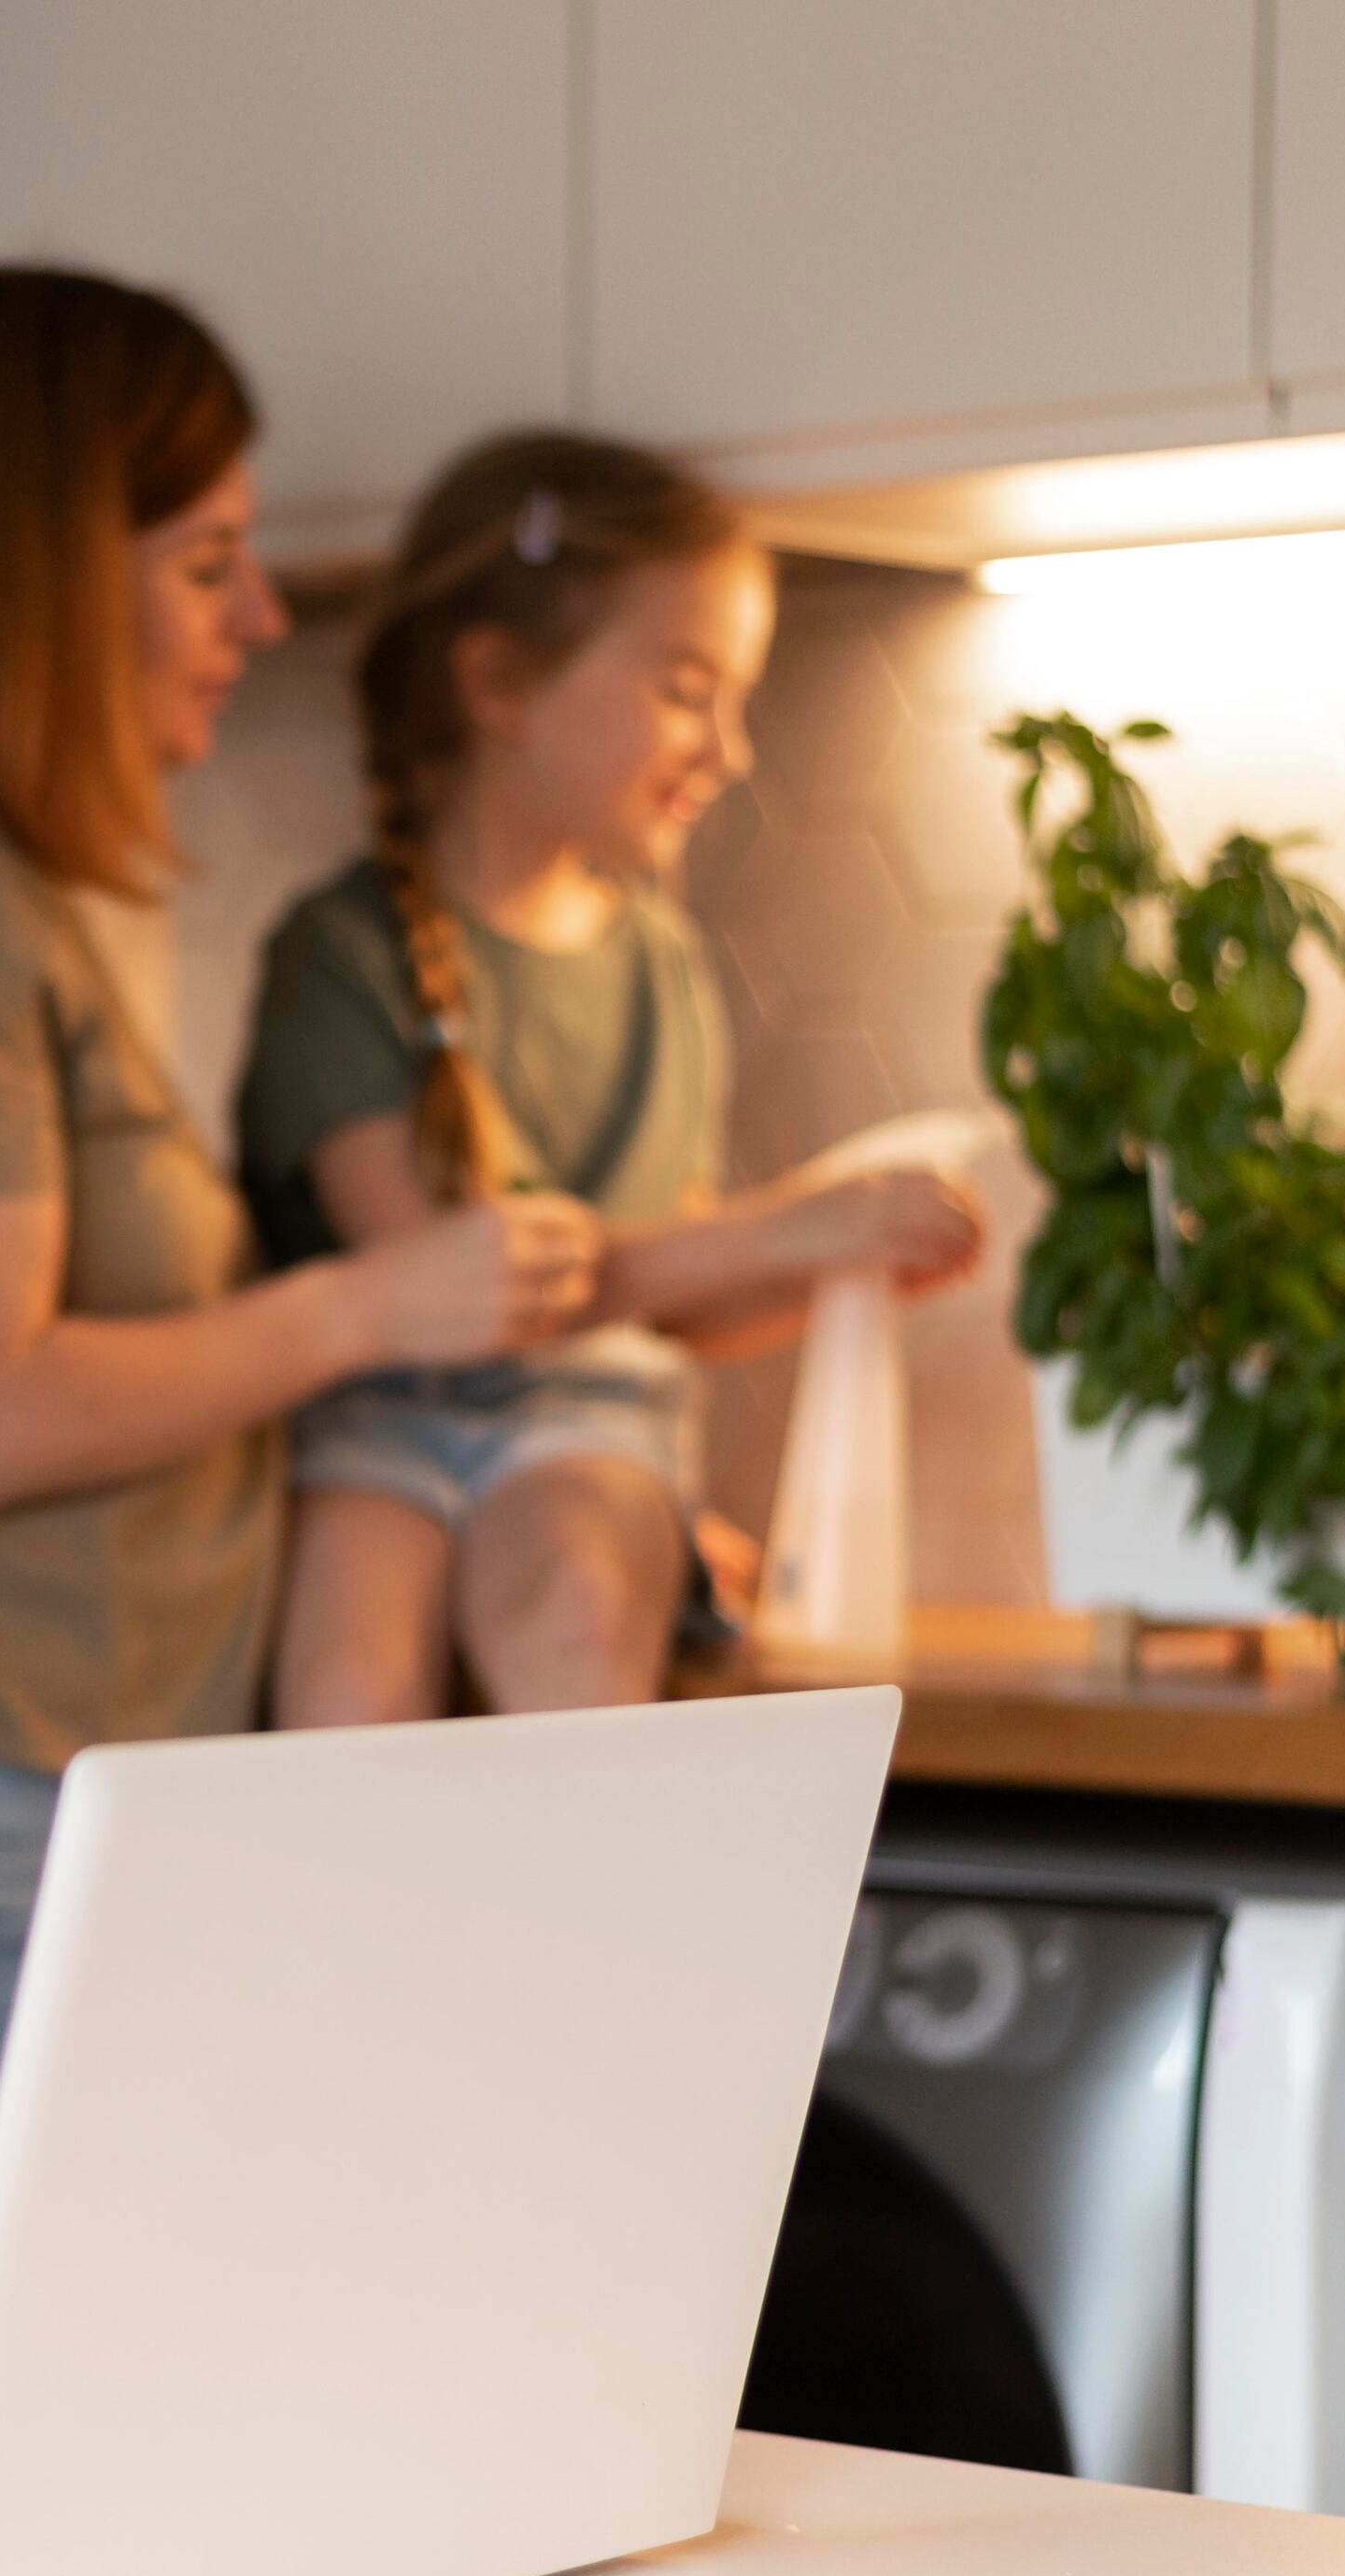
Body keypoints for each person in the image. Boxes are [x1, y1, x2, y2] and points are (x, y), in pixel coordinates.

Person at [0, 269, 604, 2234]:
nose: (257, 621)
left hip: (1, 1802)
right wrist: (372, 1303)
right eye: (206, 564)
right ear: (28, 583)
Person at [233, 432, 986, 1726]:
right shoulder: (342, 958)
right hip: (370, 1422)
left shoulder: (660, 966)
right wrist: (788, 1225)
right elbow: (453, 1291)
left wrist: (825, 1268)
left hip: (590, 1421)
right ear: (498, 684)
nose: (730, 748)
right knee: (347, 1690)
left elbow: (667, 1298)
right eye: (688, 689)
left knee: (580, 1615)